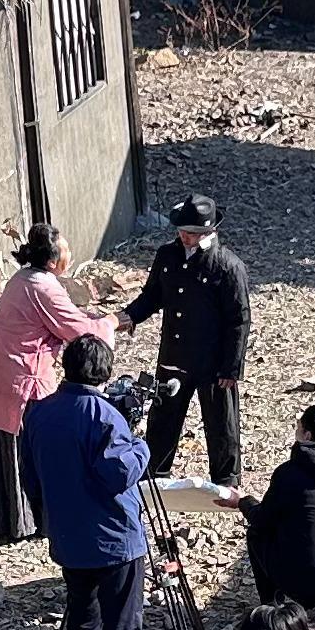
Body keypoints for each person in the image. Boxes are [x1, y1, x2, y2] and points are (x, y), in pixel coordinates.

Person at [19, 338, 152, 630]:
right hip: (114, 537)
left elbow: (30, 476)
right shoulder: (106, 416)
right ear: (106, 373)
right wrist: (141, 443)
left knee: (81, 614)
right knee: (121, 621)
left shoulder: (40, 413)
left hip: (69, 534)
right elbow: (118, 474)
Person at [0, 224, 101, 547]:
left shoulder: (22, 279)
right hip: (20, 380)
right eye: (66, 249)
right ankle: (29, 516)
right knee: (32, 448)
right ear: (54, 260)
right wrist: (109, 323)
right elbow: (78, 330)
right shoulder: (44, 286)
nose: (69, 253)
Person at [123, 194, 251, 488]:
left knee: (221, 422)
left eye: (192, 233)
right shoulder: (167, 256)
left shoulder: (227, 267)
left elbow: (239, 320)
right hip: (175, 353)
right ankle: (154, 473)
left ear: (209, 232)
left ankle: (226, 480)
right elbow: (153, 295)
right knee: (163, 416)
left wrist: (231, 368)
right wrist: (129, 316)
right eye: (182, 231)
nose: (185, 237)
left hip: (213, 361)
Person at [231, 402, 315, 620]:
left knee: (257, 534)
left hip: (303, 581)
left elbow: (261, 519)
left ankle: (273, 608)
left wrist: (242, 501)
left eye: (298, 427)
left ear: (308, 435)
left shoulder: (290, 474)